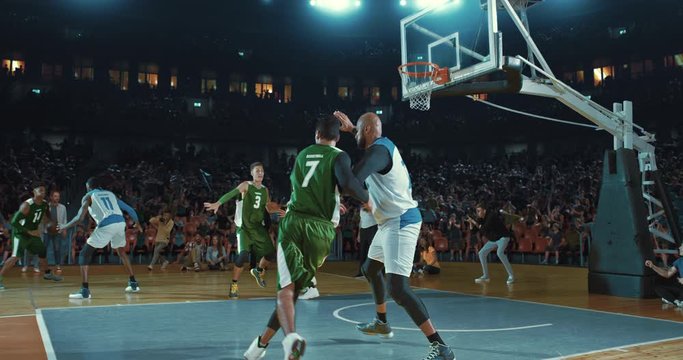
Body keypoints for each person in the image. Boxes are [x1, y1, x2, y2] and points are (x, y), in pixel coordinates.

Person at [243, 115, 370, 360]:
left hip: (295, 223)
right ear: (338, 136)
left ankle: (291, 338)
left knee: (285, 290)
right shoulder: (340, 155)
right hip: (322, 231)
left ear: (316, 135)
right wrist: (363, 199)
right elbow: (346, 184)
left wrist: (358, 197)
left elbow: (306, 188)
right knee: (292, 292)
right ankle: (260, 345)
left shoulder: (302, 155)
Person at [334, 111, 455, 360]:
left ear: (367, 131)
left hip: (401, 222)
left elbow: (353, 179)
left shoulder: (379, 152)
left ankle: (439, 345)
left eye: (357, 129)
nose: (354, 133)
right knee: (369, 268)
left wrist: (331, 193)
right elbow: (361, 156)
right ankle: (381, 322)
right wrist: (350, 131)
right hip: (389, 222)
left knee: (398, 289)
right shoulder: (380, 146)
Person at [204, 162, 284, 298]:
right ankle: (234, 284)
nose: (260, 173)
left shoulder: (265, 190)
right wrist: (218, 203)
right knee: (243, 256)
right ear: (252, 173)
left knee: (270, 253)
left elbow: (268, 207)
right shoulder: (246, 185)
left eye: (262, 171)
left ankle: (258, 270)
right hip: (244, 228)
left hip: (258, 227)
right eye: (257, 171)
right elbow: (231, 193)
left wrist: (281, 210)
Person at [60, 177, 141, 299]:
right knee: (121, 251)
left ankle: (84, 291)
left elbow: (79, 218)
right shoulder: (111, 194)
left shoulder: (88, 196)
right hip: (120, 223)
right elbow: (129, 209)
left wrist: (64, 226)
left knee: (84, 254)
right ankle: (133, 283)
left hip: (107, 224)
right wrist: (137, 223)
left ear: (89, 187)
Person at [0, 184, 63, 290]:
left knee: (42, 251)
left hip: (33, 233)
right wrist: (30, 232)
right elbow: (14, 222)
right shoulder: (26, 205)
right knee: (15, 257)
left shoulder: (44, 204)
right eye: (40, 190)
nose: (43, 192)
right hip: (20, 233)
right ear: (34, 191)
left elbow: (47, 217)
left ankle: (47, 273)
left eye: (44, 190)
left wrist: (51, 225)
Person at [467, 203, 515, 284]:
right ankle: (485, 276)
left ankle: (511, 276)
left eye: (479, 211)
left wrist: (475, 223)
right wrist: (471, 222)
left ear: (484, 210)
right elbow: (473, 231)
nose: (477, 213)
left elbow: (484, 229)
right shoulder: (480, 218)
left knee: (499, 253)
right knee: (481, 253)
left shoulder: (491, 216)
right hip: (493, 239)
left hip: (503, 237)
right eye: (477, 211)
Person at [646, 243, 683, 308]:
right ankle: (676, 302)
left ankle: (673, 299)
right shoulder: (679, 261)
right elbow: (667, 274)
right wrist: (653, 266)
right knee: (659, 288)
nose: (680, 248)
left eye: (682, 246)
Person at [45, 190, 68, 272]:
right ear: (51, 197)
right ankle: (41, 265)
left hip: (57, 231)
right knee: (44, 248)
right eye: (55, 196)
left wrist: (64, 229)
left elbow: (64, 220)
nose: (57, 198)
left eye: (58, 196)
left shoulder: (63, 207)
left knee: (57, 249)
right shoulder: (46, 206)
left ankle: (58, 264)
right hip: (47, 231)